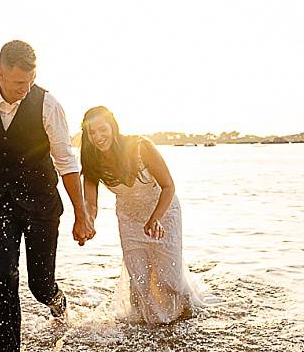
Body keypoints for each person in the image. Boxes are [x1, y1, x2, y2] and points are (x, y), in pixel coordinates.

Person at [0, 40, 95, 352]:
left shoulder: (48, 105)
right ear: (0, 74)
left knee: (40, 284)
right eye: (19, 82)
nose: (26, 88)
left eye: (31, 80)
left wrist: (81, 215)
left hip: (41, 204)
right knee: (4, 276)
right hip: (1, 200)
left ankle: (57, 302)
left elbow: (67, 164)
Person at [80, 106, 209, 324]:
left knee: (169, 278)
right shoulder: (92, 159)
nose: (98, 137)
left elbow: (168, 186)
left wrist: (155, 218)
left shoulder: (140, 147)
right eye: (92, 133)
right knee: (139, 279)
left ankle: (185, 316)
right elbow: (90, 203)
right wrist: (88, 222)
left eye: (102, 129)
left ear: (113, 126)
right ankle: (146, 327)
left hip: (163, 213)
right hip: (129, 219)